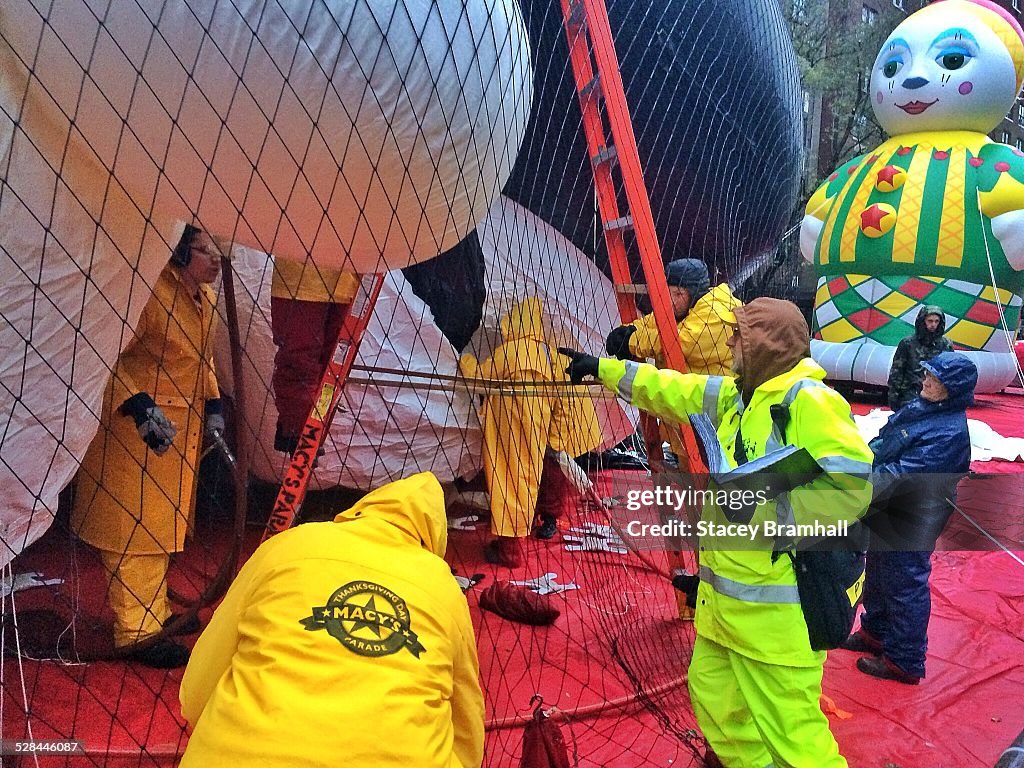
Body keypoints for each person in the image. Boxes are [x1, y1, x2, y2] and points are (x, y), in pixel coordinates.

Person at [560, 297, 873, 768]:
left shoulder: (808, 400)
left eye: (738, 337)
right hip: (725, 607)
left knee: (795, 737)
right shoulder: (736, 394)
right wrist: (604, 369)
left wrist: (770, 514)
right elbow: (671, 388)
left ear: (763, 346)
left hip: (777, 618)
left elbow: (854, 487)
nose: (729, 344)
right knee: (714, 699)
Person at [178, 472, 484, 768]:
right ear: (431, 541)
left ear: (361, 510)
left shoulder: (287, 545)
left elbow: (195, 693)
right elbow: (468, 738)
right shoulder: (443, 586)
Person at [72, 224, 222, 668]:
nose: (216, 260)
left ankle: (153, 613)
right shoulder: (147, 294)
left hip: (178, 434)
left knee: (159, 530)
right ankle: (136, 633)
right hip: (136, 436)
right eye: (204, 251)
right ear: (180, 254)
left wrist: (213, 403)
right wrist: (136, 405)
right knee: (133, 532)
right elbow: (105, 353)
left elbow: (201, 360)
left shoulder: (205, 299)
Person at [846, 352, 977, 684]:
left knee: (904, 582)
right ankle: (875, 632)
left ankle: (904, 659)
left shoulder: (948, 433)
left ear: (952, 389)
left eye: (934, 379)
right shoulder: (923, 409)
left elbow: (905, 475)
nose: (926, 381)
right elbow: (885, 443)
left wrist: (858, 477)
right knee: (878, 568)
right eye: (927, 375)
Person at [605, 258, 741, 464]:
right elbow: (656, 320)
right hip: (689, 420)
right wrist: (630, 329)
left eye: (679, 294)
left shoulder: (715, 313)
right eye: (669, 293)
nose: (672, 300)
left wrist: (630, 341)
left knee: (709, 486)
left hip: (714, 424)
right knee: (691, 485)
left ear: (696, 293)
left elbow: (678, 342)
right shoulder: (688, 309)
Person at [459, 298, 555, 567]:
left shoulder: (513, 350)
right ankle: (516, 537)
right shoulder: (543, 353)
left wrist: (463, 359)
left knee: (507, 478)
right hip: (535, 425)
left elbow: (480, 376)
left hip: (509, 426)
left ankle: (509, 550)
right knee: (526, 477)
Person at [270, 259, 359, 454]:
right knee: (301, 362)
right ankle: (299, 432)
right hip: (301, 275)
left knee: (332, 369)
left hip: (348, 277)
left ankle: (300, 430)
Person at [887, 305, 954, 411]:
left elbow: (950, 372)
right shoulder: (908, 343)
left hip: (935, 395)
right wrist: (894, 396)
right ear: (922, 321)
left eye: (936, 321)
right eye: (930, 321)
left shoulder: (946, 344)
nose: (933, 325)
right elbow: (897, 371)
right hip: (910, 394)